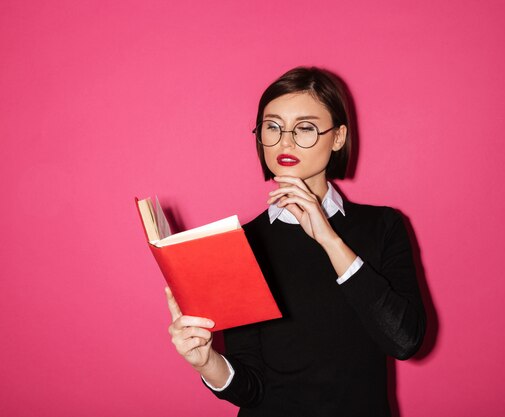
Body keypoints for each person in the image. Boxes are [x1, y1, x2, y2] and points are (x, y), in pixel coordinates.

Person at [165, 66, 426, 416]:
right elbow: (251, 388)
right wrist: (206, 362)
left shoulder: (384, 226)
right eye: (272, 127)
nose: (285, 142)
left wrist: (329, 239)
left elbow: (404, 340)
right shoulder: (242, 243)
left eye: (304, 128)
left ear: (338, 137)